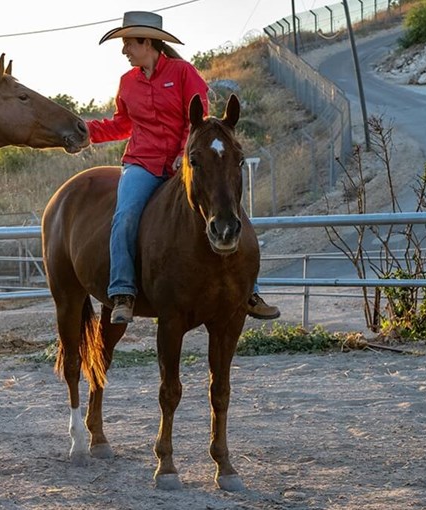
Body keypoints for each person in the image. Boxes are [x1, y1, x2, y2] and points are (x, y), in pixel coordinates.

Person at [85, 11, 280, 324]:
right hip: (142, 162)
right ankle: (122, 293)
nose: (124, 51)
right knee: (125, 216)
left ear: (147, 42)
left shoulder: (184, 72)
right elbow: (122, 124)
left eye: (128, 44)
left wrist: (181, 153)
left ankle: (250, 292)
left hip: (186, 162)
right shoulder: (126, 83)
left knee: (227, 206)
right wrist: (89, 132)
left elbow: (199, 122)